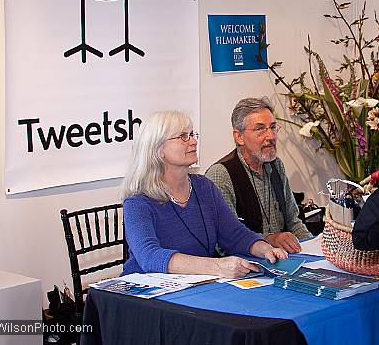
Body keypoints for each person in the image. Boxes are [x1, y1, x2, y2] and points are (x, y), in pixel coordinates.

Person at [121, 110, 287, 278]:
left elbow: (234, 234)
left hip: (196, 285)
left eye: (192, 135)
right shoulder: (138, 202)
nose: (193, 142)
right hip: (144, 295)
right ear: (158, 149)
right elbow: (150, 257)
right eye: (183, 137)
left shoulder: (203, 186)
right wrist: (217, 266)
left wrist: (265, 249)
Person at [206, 97, 311, 254]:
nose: (271, 136)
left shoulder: (276, 166)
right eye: (260, 129)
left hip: (283, 262)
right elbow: (225, 240)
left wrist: (315, 250)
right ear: (239, 137)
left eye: (273, 127)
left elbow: (293, 222)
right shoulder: (221, 174)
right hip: (245, 268)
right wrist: (269, 239)